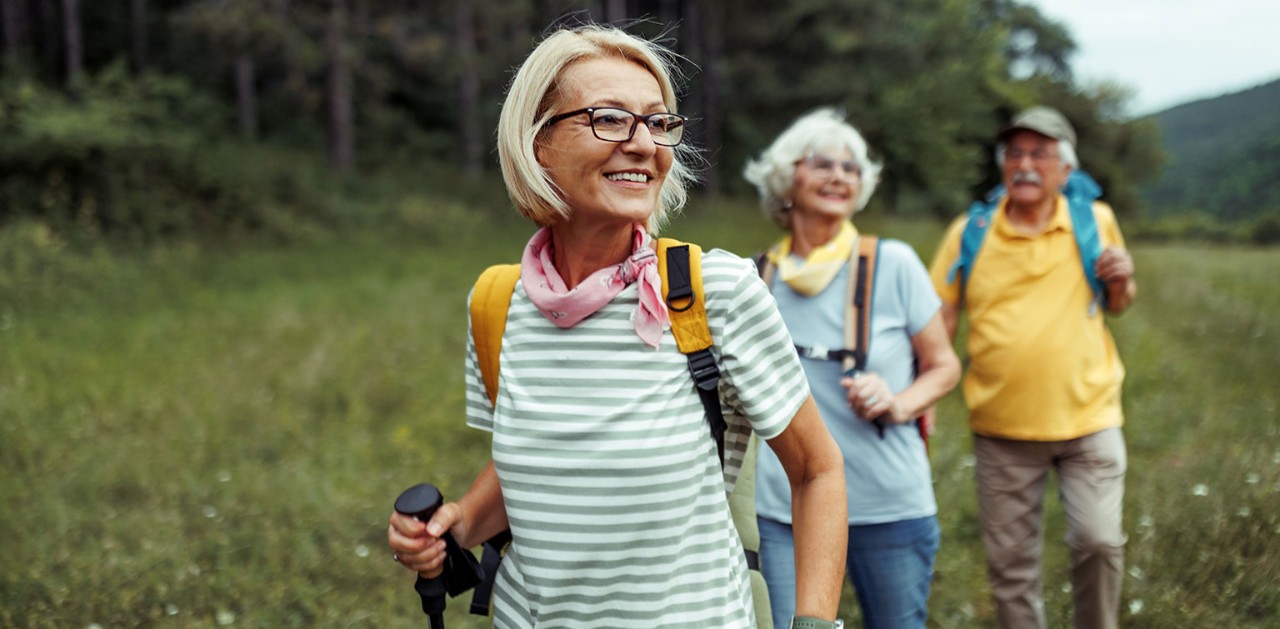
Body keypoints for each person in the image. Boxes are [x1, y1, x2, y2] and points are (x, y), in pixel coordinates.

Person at [387, 24, 848, 629]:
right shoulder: (498, 303)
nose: (643, 144)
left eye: (658, 124)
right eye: (609, 118)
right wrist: (457, 525)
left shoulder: (718, 292)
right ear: (537, 142)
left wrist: (815, 623)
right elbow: (542, 466)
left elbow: (817, 470)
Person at [743, 108, 961, 629]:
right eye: (822, 163)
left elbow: (944, 366)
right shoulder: (753, 277)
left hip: (886, 505)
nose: (839, 175)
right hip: (782, 510)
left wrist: (898, 401)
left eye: (851, 168)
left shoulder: (895, 263)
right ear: (785, 178)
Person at [926, 106, 1137, 629]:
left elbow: (1119, 301)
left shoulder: (1095, 219)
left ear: (1065, 169)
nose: (1025, 164)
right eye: (1015, 153)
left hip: (1090, 417)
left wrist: (1122, 276)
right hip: (1002, 429)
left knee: (1099, 540)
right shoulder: (970, 231)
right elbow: (939, 319)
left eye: (1040, 154)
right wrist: (923, 393)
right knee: (1011, 569)